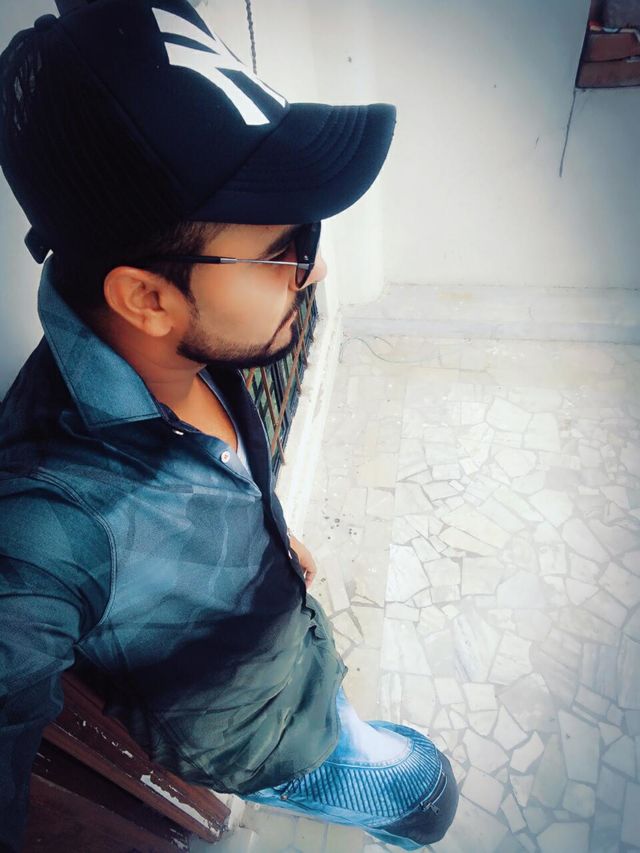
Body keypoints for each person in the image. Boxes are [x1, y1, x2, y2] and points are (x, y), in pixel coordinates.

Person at [0, 1, 458, 850]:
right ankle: (320, 780)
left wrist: (266, 544)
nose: (316, 268)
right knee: (430, 800)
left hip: (288, 648)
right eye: (285, 248)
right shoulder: (45, 522)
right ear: (147, 296)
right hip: (254, 738)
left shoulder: (178, 343)